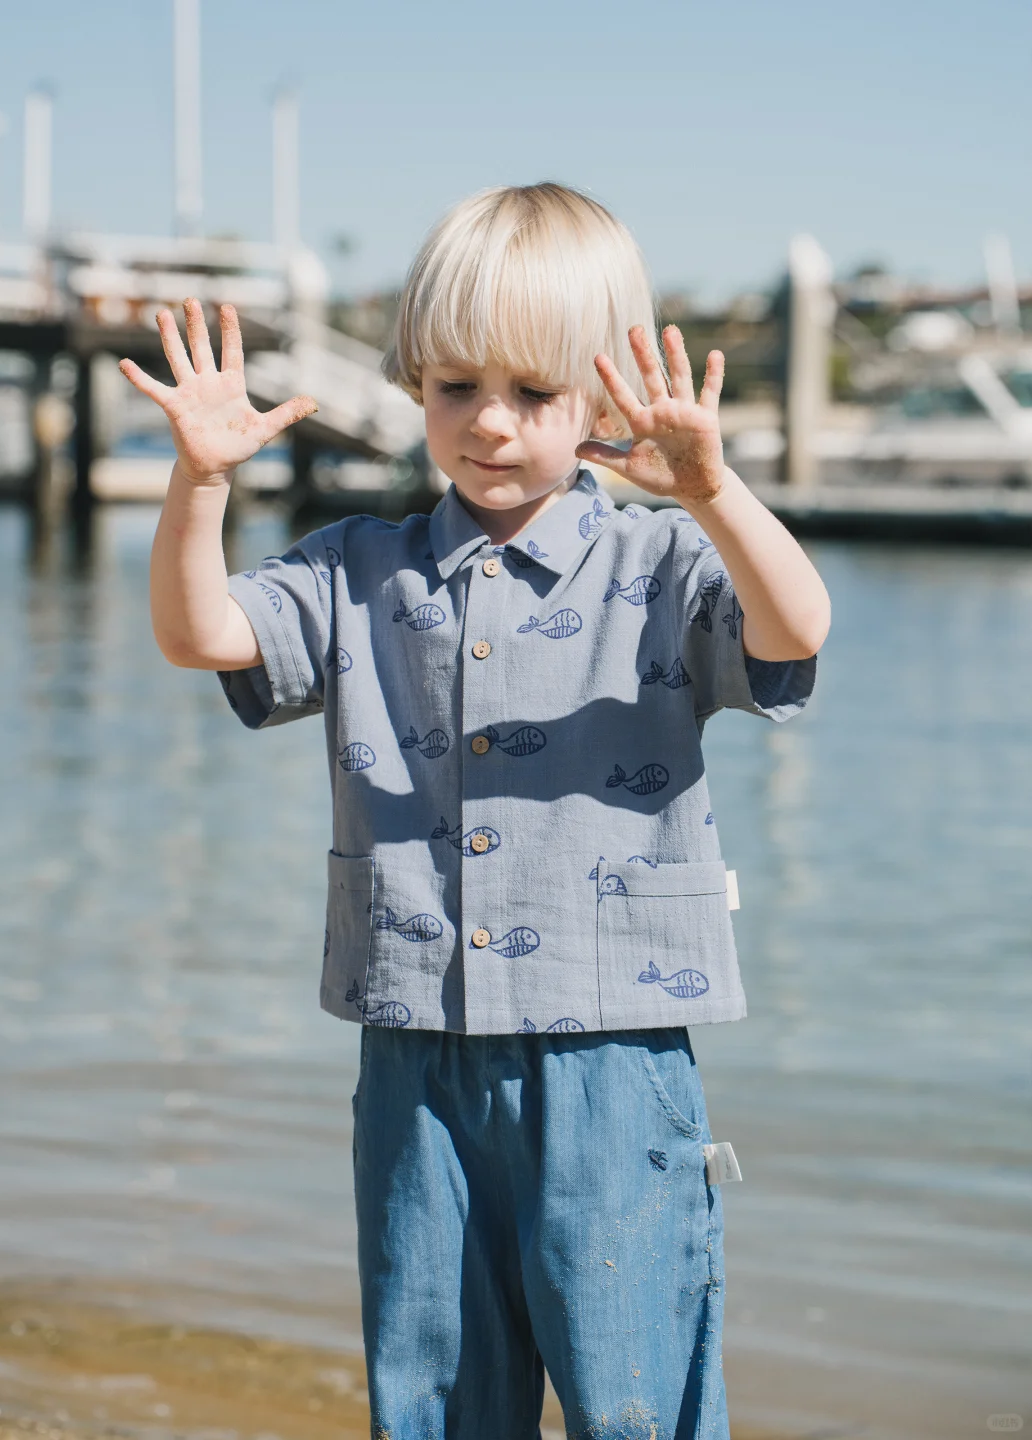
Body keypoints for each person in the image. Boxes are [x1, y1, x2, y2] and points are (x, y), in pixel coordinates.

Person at [121, 182, 829, 1439]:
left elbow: (794, 628)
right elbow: (201, 635)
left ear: (604, 402)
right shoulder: (353, 570)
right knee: (436, 1392)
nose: (489, 424)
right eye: (456, 387)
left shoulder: (660, 565)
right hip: (416, 1053)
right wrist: (199, 486)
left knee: (638, 1396)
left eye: (534, 394)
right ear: (413, 384)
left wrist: (713, 491)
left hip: (612, 1054)